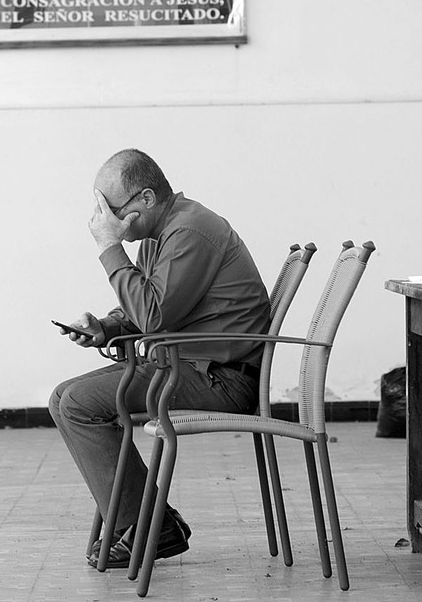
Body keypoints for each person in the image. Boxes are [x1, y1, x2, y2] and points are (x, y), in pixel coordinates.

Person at [49, 148, 271, 568]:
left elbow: (153, 312)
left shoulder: (191, 231)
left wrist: (109, 248)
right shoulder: (166, 231)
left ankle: (151, 527)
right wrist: (107, 327)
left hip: (219, 378)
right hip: (186, 366)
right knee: (63, 397)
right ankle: (148, 523)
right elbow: (153, 308)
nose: (106, 221)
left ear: (146, 200)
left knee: (78, 403)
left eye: (113, 209)